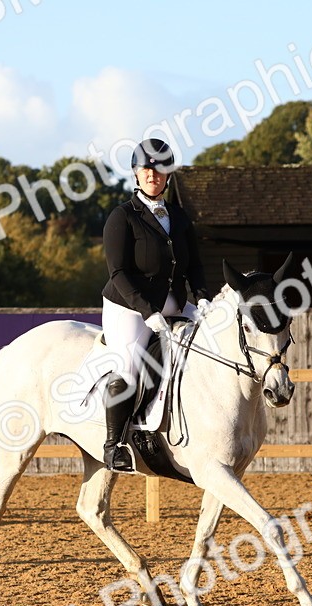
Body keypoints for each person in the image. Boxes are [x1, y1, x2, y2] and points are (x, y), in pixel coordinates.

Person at [100, 138, 210, 472]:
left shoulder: (178, 216)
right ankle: (115, 444)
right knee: (131, 366)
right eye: (147, 169)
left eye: (160, 169)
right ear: (136, 173)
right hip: (129, 307)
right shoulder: (122, 217)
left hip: (174, 303)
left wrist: (203, 297)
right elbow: (118, 272)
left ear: (167, 175)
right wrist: (148, 313)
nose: (153, 175)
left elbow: (194, 266)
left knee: (214, 341)